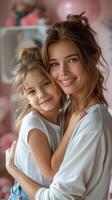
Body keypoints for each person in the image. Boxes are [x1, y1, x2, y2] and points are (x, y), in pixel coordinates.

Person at [5, 13, 112, 200]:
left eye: (72, 60)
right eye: (54, 64)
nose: (62, 73)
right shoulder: (65, 109)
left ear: (93, 57)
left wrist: (14, 171)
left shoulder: (92, 124)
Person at [8, 47, 85, 200]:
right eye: (32, 92)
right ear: (27, 98)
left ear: (56, 81)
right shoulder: (33, 125)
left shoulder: (61, 116)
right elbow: (50, 172)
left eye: (45, 84)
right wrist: (71, 129)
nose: (41, 94)